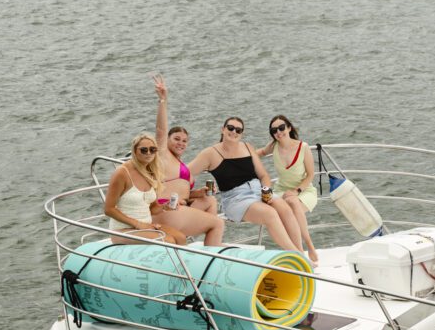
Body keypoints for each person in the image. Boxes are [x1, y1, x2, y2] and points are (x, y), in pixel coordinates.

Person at [188, 117, 303, 252]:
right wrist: (189, 193)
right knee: (270, 214)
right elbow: (185, 172)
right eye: (230, 128)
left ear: (242, 133)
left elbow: (263, 175)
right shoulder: (210, 154)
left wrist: (266, 191)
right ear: (223, 130)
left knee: (284, 208)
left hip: (258, 191)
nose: (234, 132)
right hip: (235, 199)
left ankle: (300, 251)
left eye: (238, 130)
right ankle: (298, 256)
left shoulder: (247, 147)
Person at [152, 75, 224, 246]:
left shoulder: (180, 164)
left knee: (210, 200)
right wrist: (163, 100)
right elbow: (161, 130)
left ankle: (210, 244)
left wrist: (197, 193)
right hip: (167, 211)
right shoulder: (162, 155)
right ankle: (212, 252)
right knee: (218, 223)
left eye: (184, 141)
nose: (181, 143)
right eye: (177, 138)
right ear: (168, 140)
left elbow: (180, 190)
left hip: (181, 207)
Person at [104, 132, 186, 246]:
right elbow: (109, 209)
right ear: (134, 151)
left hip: (146, 227)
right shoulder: (122, 173)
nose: (149, 153)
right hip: (122, 230)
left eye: (152, 149)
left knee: (181, 238)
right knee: (169, 241)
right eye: (144, 150)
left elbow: (152, 208)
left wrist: (165, 207)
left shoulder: (151, 172)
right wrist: (139, 225)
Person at [257, 115, 319, 264]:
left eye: (281, 127)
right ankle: (300, 253)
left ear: (289, 128)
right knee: (286, 204)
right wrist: (240, 154)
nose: (279, 132)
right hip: (281, 190)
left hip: (303, 190)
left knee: (292, 201)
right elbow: (259, 153)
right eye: (274, 130)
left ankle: (308, 245)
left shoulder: (302, 147)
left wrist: (297, 191)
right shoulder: (273, 146)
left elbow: (311, 175)